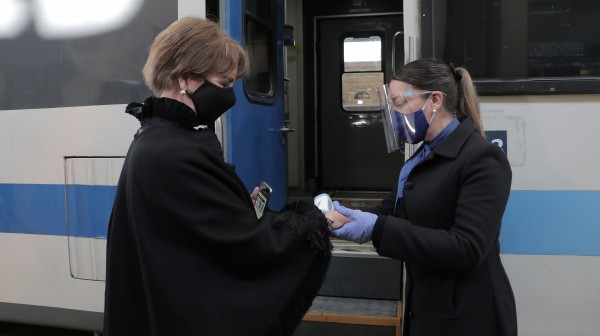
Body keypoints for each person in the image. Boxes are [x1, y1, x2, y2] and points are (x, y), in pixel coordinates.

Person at [103, 17, 332, 336]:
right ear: (184, 78)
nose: (231, 97)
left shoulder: (158, 139)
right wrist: (311, 223)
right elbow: (238, 247)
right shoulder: (174, 152)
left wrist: (243, 209)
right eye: (224, 84)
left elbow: (199, 233)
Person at [328, 58, 517, 336]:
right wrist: (347, 216)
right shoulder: (421, 156)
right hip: (428, 309)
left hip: (468, 315)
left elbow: (467, 248)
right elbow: (390, 213)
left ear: (435, 100)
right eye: (391, 104)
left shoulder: (482, 159)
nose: (393, 114)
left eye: (400, 103)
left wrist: (376, 227)